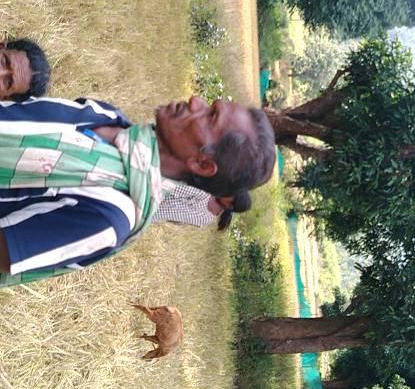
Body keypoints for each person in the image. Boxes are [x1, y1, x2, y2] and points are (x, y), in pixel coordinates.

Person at [0, 94, 275, 283]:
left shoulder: (108, 217)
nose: (195, 101)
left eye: (210, 115)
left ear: (202, 164)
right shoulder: (106, 115)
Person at [152, 184, 252, 230]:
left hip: (150, 196)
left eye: (231, 193)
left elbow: (167, 186)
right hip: (149, 212)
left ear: (229, 205)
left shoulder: (204, 193)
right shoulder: (205, 220)